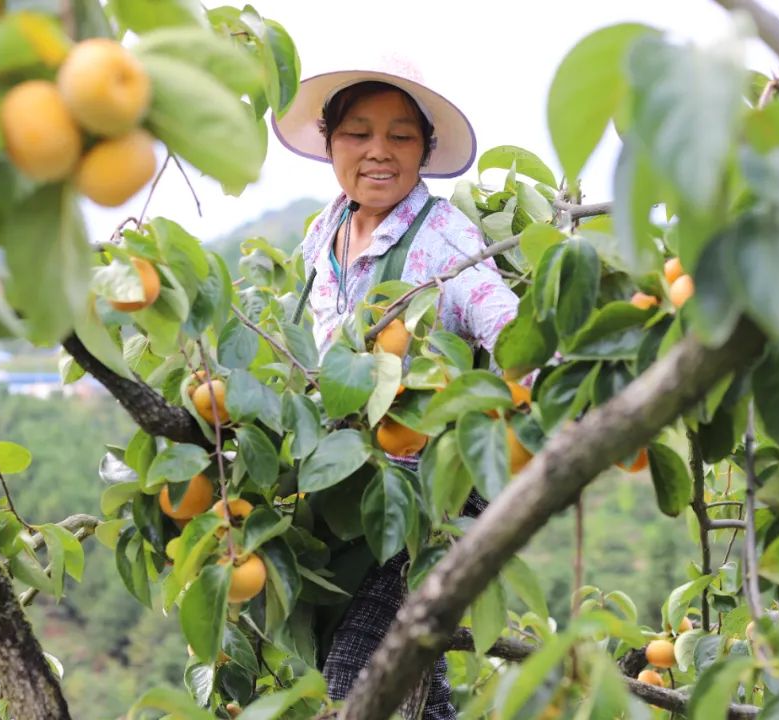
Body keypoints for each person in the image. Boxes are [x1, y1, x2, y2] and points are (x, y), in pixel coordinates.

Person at [272, 63, 520, 719]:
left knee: (357, 679)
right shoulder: (320, 234)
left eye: (401, 138)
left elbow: (509, 326)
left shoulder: (441, 234)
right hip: (350, 498)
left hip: (429, 500)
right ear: (329, 142)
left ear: (425, 152)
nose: (379, 151)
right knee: (415, 684)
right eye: (357, 133)